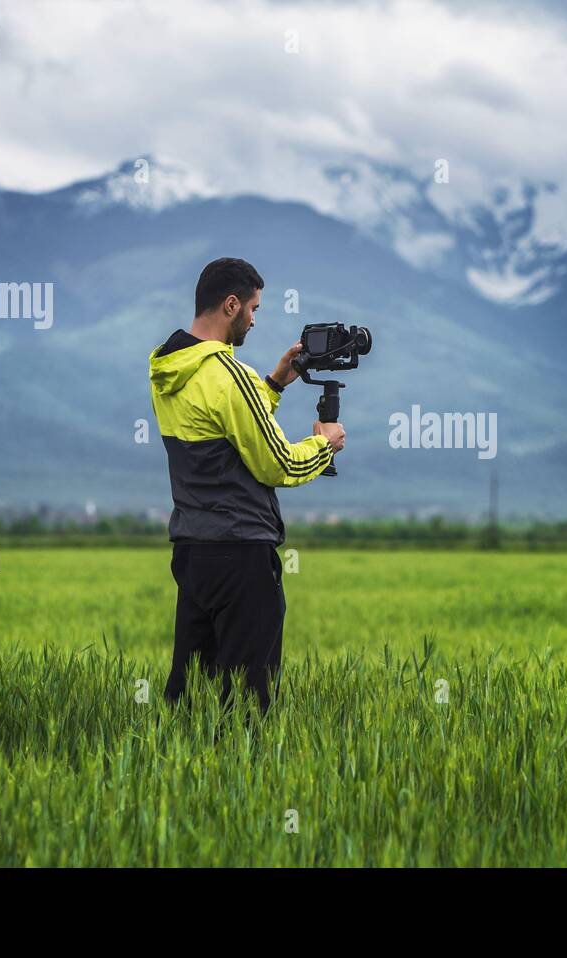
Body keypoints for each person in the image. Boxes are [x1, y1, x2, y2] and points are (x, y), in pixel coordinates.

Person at [148, 257, 346, 717]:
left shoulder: (168, 370)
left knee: (191, 695)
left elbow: (227, 431)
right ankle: (240, 782)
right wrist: (323, 445)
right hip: (242, 554)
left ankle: (179, 780)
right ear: (231, 304)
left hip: (194, 551)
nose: (255, 319)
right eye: (253, 308)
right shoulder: (227, 374)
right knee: (248, 701)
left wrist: (275, 382)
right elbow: (275, 463)